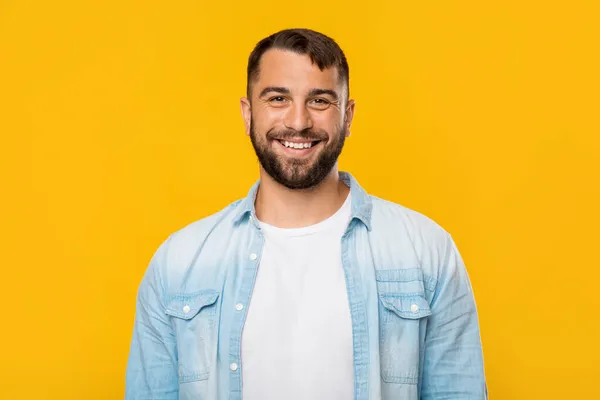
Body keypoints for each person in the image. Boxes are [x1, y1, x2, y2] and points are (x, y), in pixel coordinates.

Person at [125, 28, 487, 400]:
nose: (298, 122)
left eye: (319, 101)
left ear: (347, 116)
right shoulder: (179, 264)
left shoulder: (427, 253)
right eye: (278, 98)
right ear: (248, 114)